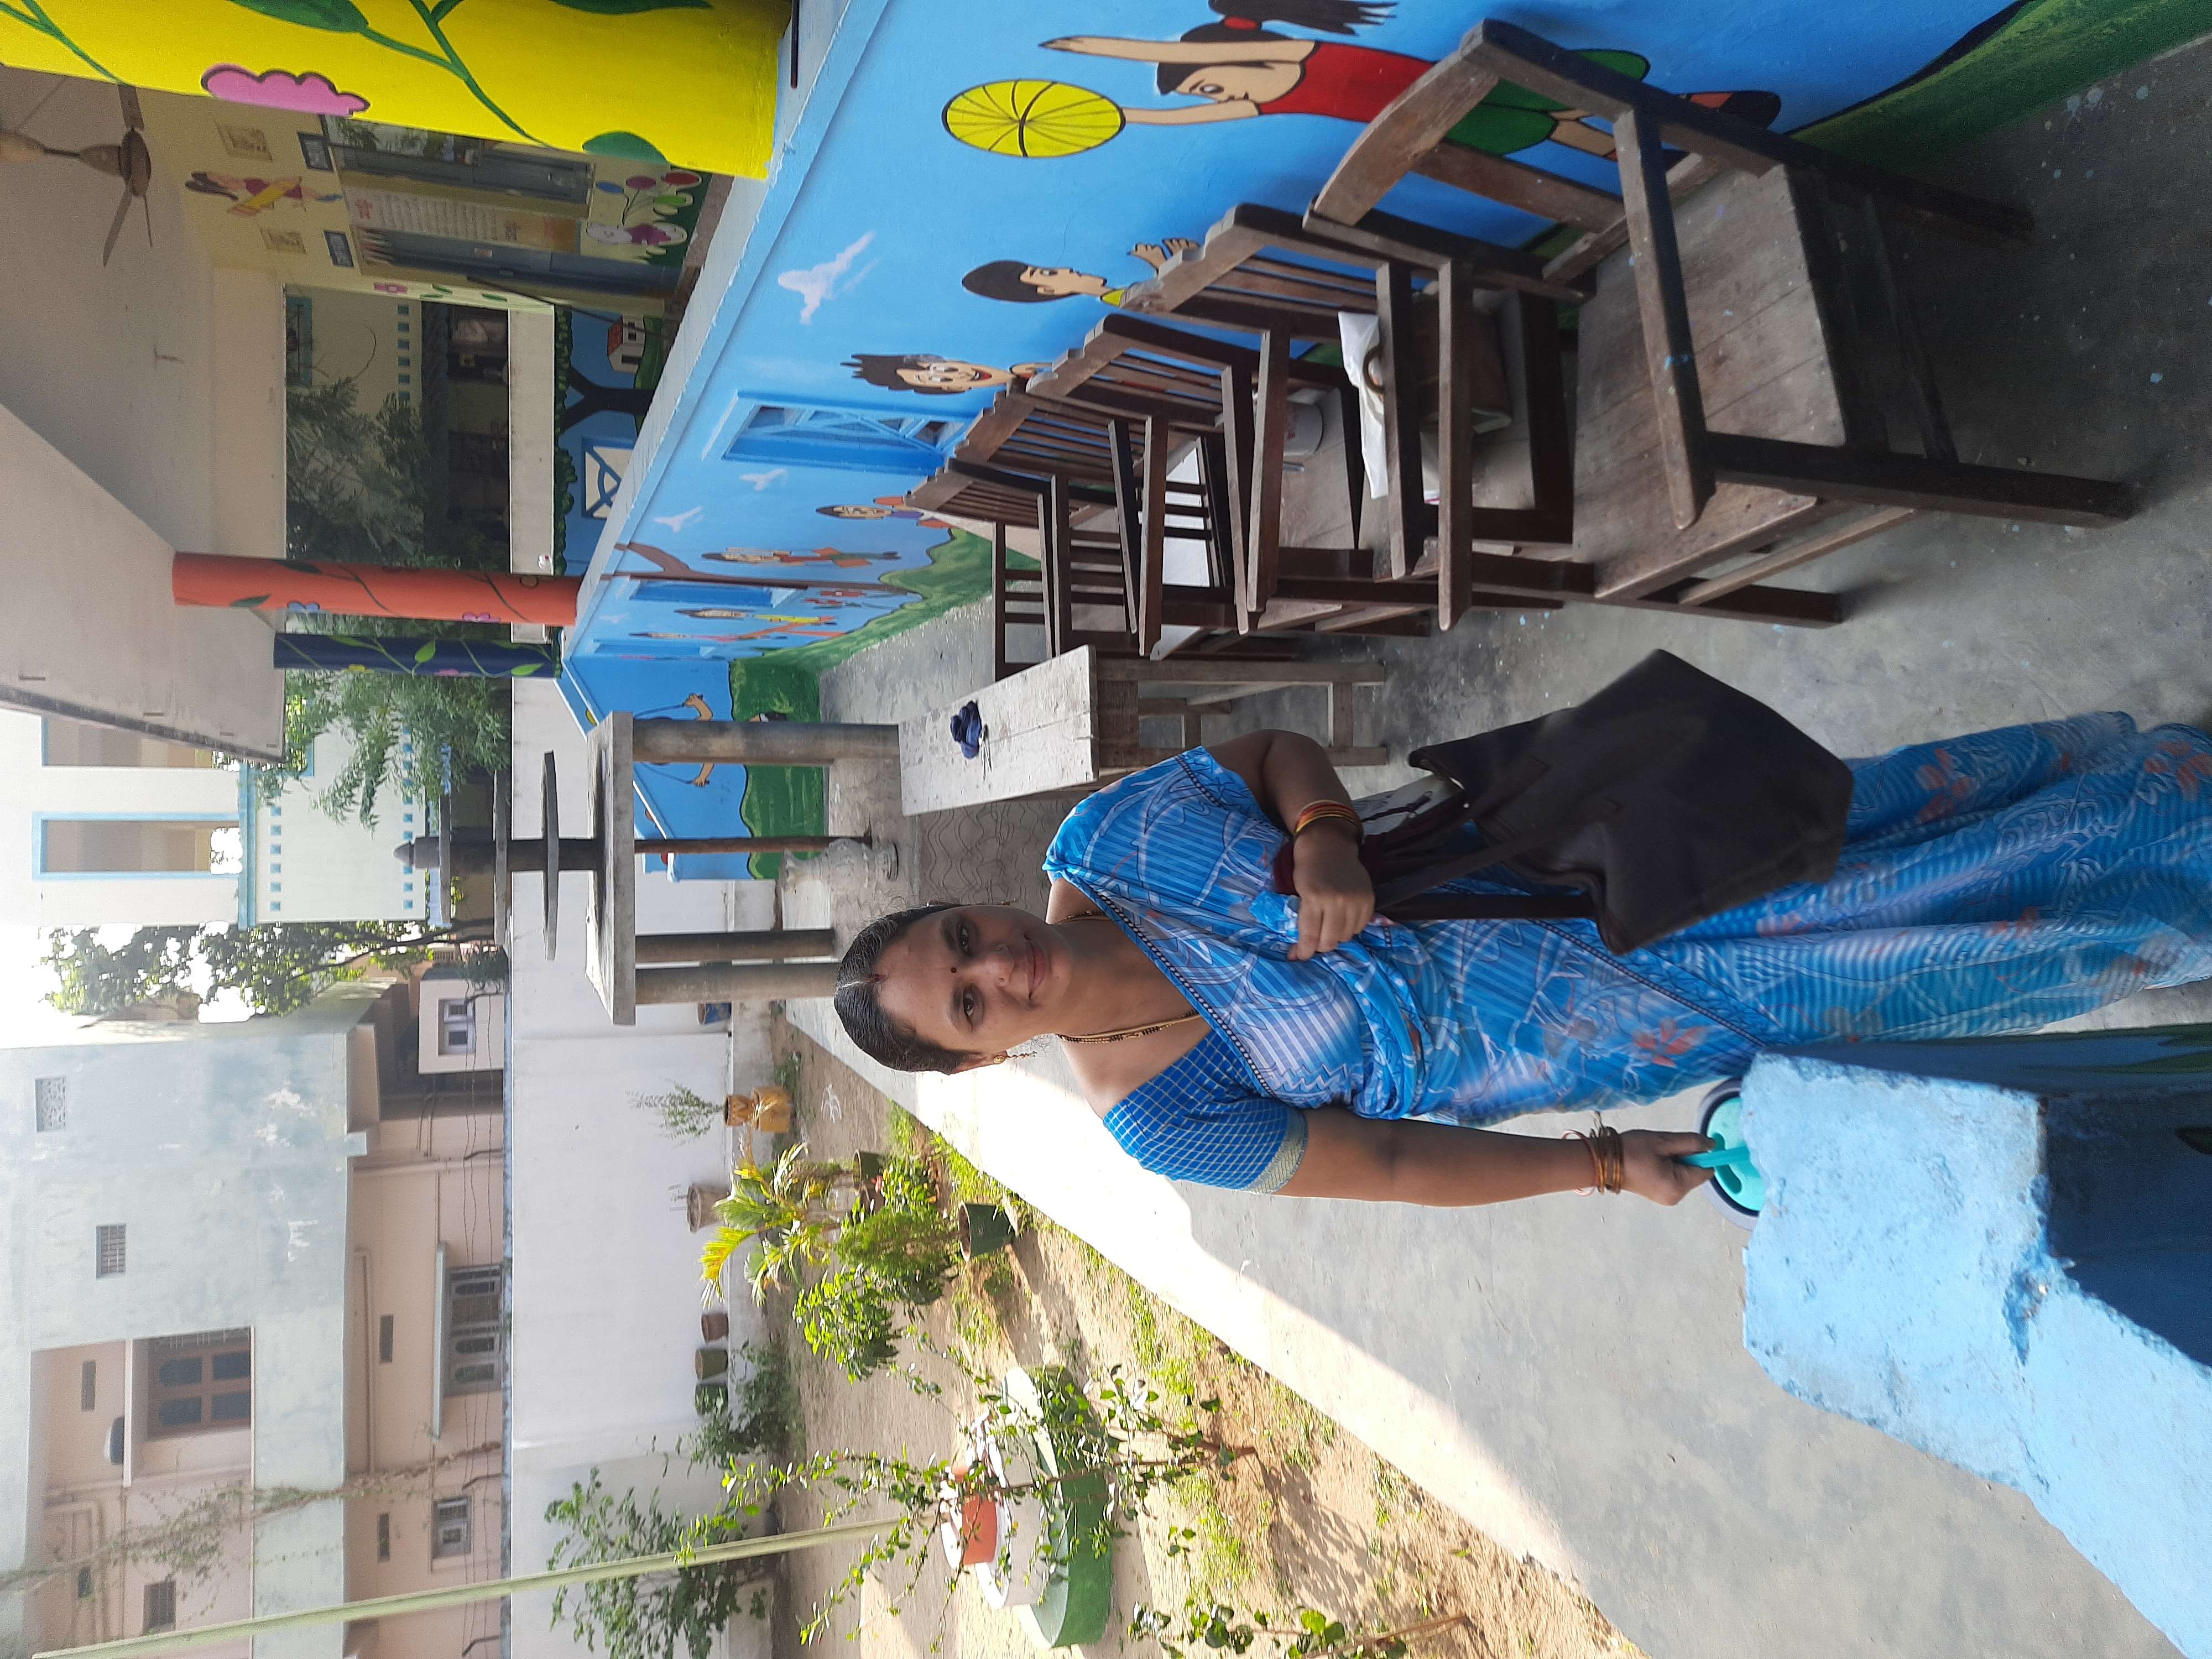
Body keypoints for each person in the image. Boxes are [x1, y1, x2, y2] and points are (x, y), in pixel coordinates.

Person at [834, 717, 2212, 1209]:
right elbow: (1386, 1163)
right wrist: (1602, 1164)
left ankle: (2150, 791)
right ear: (977, 1059)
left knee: (1844, 832)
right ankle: (2159, 888)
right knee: (1877, 963)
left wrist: (1321, 836)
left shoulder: (1108, 840)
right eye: (967, 1005)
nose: (996, 965)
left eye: (960, 937)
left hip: (1565, 851)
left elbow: (1264, 754)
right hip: (1588, 1025)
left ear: (966, 904)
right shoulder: (1162, 1118)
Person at [1041, 2, 1779, 160]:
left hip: (1465, 83)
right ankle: (1671, 147)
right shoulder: (1265, 101)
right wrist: (1123, 118)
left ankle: (1696, 115)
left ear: (1232, 58)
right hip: (1445, 118)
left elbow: (1168, 51)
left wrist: (1094, 47)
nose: (1217, 97)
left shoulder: (1288, 57)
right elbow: (1185, 118)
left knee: (1565, 102)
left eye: (1205, 84)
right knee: (1551, 127)